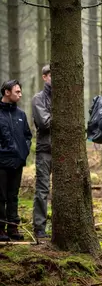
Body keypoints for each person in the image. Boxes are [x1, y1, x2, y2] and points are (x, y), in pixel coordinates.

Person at [0, 80, 32, 241]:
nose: (20, 94)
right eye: (17, 91)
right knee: (1, 196)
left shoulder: (21, 114)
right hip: (1, 163)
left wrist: (23, 153)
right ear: (7, 92)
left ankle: (13, 228)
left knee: (13, 196)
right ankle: (1, 229)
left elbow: (27, 136)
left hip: (17, 163)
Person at [31, 65, 52, 238]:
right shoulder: (38, 99)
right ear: (44, 77)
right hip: (45, 150)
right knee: (42, 189)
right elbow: (45, 123)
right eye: (51, 75)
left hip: (63, 151)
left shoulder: (65, 96)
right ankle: (39, 228)